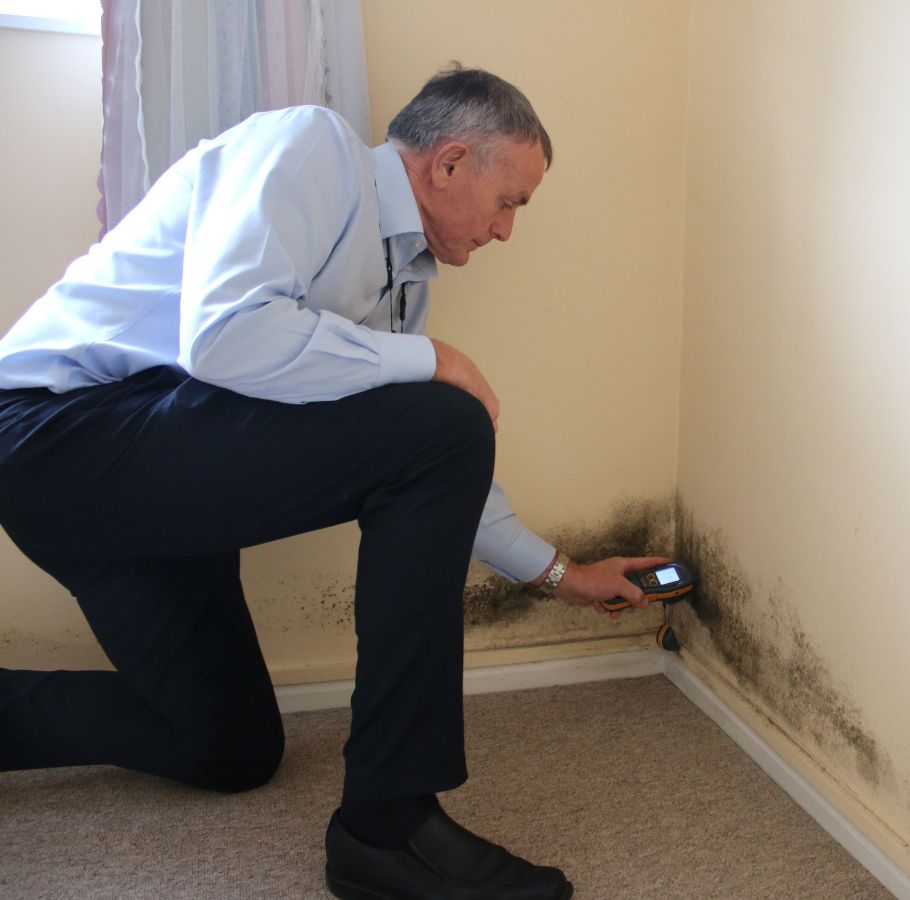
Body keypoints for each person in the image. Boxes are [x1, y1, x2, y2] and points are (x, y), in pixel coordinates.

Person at [0, 65, 668, 900]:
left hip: (140, 489)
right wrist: (435, 362)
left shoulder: (401, 279)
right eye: (510, 203)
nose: (506, 233)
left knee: (230, 749)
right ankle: (385, 829)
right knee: (443, 423)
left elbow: (435, 470)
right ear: (450, 163)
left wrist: (561, 575)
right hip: (57, 434)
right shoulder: (311, 149)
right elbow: (225, 337)